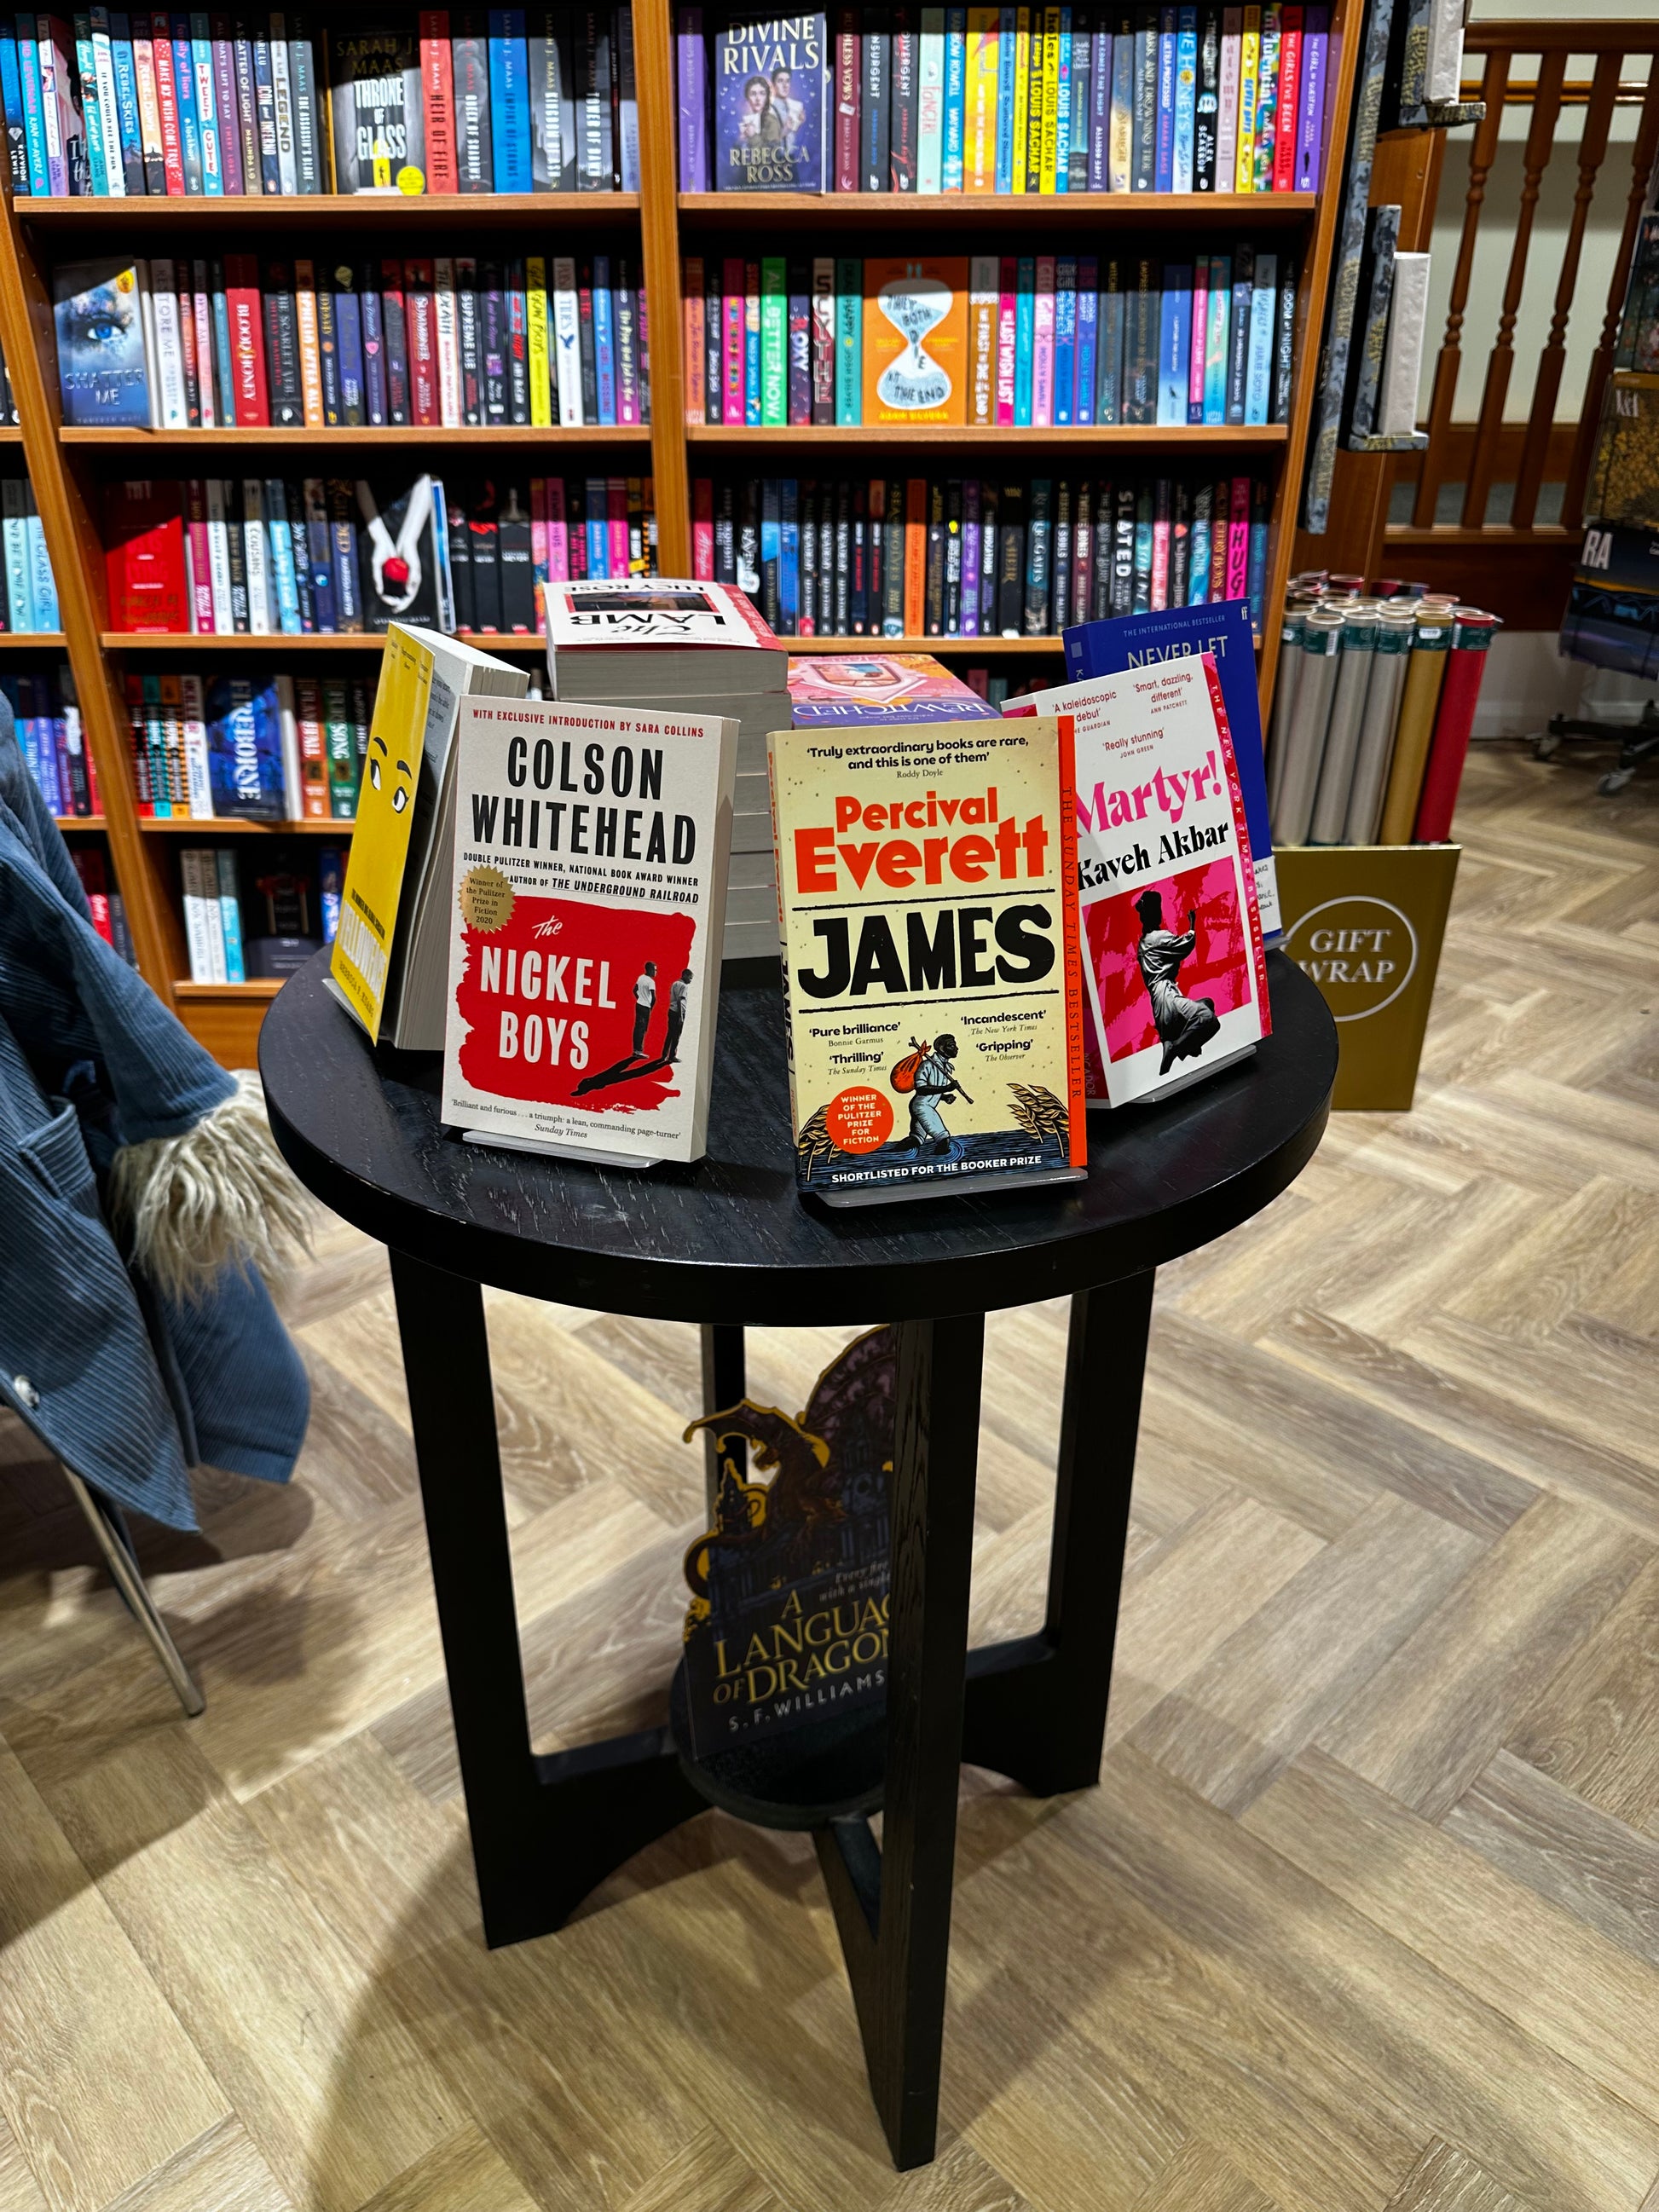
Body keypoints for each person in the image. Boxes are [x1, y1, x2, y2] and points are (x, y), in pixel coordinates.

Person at [1133, 889, 1221, 1077]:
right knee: (1208, 1019)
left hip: (1161, 1003)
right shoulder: (1158, 937)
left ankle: (1179, 1044)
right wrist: (1192, 924)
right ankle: (1176, 1047)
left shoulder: (1144, 941)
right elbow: (1185, 944)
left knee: (1208, 1003)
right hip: (1167, 998)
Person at [903, 1034, 962, 1156]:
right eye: (952, 1045)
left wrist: (944, 1097)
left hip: (926, 1105)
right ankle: (941, 1163)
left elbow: (933, 1090)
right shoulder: (927, 1065)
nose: (956, 1048)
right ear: (941, 1048)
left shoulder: (943, 1067)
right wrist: (947, 1088)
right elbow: (921, 1090)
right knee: (943, 1138)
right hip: (922, 1107)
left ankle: (890, 1154)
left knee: (916, 1140)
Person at [769, 63, 804, 152]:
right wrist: (784, 131)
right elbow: (766, 143)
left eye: (787, 81)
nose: (785, 85)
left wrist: (799, 123)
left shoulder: (794, 107)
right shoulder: (768, 110)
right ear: (773, 85)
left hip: (791, 158)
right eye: (780, 81)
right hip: (774, 160)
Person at [664, 967, 691, 1062]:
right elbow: (680, 1000)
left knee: (670, 1034)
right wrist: (681, 1015)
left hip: (671, 1010)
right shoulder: (684, 986)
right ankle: (671, 1056)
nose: (690, 981)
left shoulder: (675, 983)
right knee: (676, 1036)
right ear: (685, 976)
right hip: (678, 1012)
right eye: (690, 978)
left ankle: (664, 1054)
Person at [632, 960, 656, 1056]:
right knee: (642, 1028)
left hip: (639, 1005)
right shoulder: (651, 981)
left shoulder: (641, 978)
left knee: (637, 1027)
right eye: (654, 970)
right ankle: (639, 1051)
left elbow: (634, 990)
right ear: (649, 970)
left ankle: (635, 1049)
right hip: (645, 1007)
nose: (655, 972)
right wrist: (650, 1007)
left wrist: (640, 999)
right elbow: (654, 997)